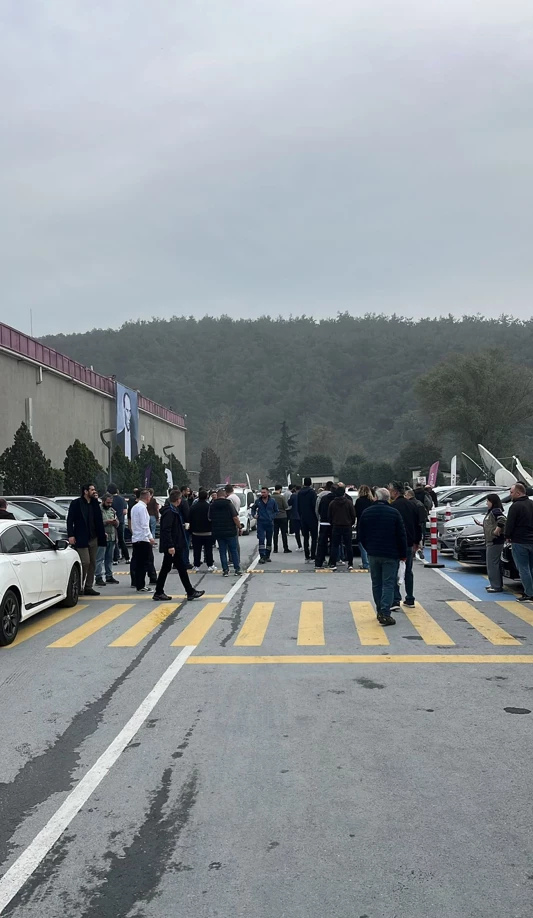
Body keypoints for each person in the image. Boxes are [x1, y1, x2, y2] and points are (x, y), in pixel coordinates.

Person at [357, 487, 407, 626]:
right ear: (388, 498)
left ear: (376, 497)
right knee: (388, 583)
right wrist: (403, 554)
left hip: (373, 553)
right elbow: (401, 535)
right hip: (391, 554)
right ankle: (385, 612)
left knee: (376, 583)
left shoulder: (367, 512)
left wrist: (369, 548)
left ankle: (379, 609)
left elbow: (361, 534)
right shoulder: (394, 513)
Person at [153, 490, 205, 601]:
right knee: (172, 568)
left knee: (175, 568)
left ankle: (188, 591)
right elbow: (167, 530)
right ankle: (161, 592)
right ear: (178, 500)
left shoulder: (172, 510)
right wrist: (170, 546)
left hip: (175, 545)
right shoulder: (170, 512)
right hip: (173, 546)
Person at [67, 484, 107, 595]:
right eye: (92, 490)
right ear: (85, 491)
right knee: (85, 562)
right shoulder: (76, 503)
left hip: (93, 537)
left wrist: (102, 533)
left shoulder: (95, 504)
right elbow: (70, 520)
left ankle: (88, 586)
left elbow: (98, 520)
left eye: (94, 489)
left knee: (93, 562)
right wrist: (71, 535)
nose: (94, 491)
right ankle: (78, 586)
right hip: (81, 537)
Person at [389, 481, 422, 610]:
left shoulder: (393, 506)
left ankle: (395, 600)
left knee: (394, 570)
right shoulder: (412, 505)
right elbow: (418, 525)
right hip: (409, 542)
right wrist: (417, 542)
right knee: (408, 570)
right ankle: (410, 598)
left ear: (395, 492)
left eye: (390, 490)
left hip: (395, 542)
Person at [505, 482, 533, 601]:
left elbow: (510, 523)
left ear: (518, 493)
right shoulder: (531, 504)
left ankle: (529, 593)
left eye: (511, 492)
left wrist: (507, 536)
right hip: (531, 540)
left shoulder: (515, 506)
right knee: (531, 568)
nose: (510, 495)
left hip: (520, 541)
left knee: (523, 568)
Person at [209, 489, 242, 576]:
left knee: (222, 551)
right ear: (225, 495)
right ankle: (237, 569)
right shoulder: (229, 504)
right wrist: (239, 527)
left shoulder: (212, 505)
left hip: (218, 532)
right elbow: (235, 517)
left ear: (217, 495)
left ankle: (225, 570)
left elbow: (209, 518)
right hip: (230, 531)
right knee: (233, 550)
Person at [130, 489, 157, 592]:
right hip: (143, 539)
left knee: (138, 562)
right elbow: (145, 525)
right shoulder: (142, 508)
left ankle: (137, 583)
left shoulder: (135, 507)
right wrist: (150, 537)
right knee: (144, 562)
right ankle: (141, 585)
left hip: (136, 538)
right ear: (147, 497)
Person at [482, 493, 506, 592]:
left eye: (488, 501)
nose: (486, 503)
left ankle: (496, 586)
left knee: (492, 564)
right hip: (493, 540)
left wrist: (497, 531)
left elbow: (502, 520)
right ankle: (495, 583)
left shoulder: (495, 511)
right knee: (494, 563)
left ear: (492, 502)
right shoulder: (492, 511)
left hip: (495, 541)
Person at [95, 494, 120, 586]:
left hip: (112, 537)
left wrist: (115, 522)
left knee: (109, 558)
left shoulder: (112, 510)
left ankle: (109, 576)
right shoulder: (98, 510)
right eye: (108, 502)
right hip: (102, 538)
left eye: (111, 503)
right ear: (103, 501)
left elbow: (117, 524)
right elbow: (96, 523)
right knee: (99, 558)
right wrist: (107, 522)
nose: (109, 504)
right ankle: (98, 577)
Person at [328, 486, 355, 570]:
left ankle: (333, 564)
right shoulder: (349, 503)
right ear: (344, 493)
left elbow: (329, 516)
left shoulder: (332, 503)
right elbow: (353, 515)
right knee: (348, 545)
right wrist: (351, 523)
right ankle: (350, 564)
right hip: (347, 526)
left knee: (335, 545)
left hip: (336, 526)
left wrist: (332, 523)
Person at [189, 489, 216, 571]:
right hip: (208, 532)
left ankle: (196, 565)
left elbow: (189, 519)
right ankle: (210, 564)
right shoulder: (209, 506)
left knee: (197, 550)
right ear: (207, 497)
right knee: (208, 549)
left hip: (196, 532)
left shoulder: (193, 507)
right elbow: (212, 518)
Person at [252, 487, 278, 562]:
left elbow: (276, 511)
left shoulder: (272, 501)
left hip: (269, 523)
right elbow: (253, 508)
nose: (262, 494)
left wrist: (272, 517)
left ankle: (267, 555)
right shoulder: (258, 501)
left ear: (268, 493)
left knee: (269, 539)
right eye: (262, 492)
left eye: (264, 492)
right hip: (261, 523)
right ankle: (262, 556)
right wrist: (254, 515)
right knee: (261, 539)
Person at [314, 481, 336, 568]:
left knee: (321, 543)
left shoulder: (322, 498)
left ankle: (319, 562)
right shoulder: (336, 499)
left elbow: (318, 509)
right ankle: (332, 562)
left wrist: (320, 518)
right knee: (333, 543)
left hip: (323, 522)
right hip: (334, 523)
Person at [108, 484, 130, 564]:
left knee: (114, 540)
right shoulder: (122, 499)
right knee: (122, 540)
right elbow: (125, 512)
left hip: (112, 521)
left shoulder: (109, 499)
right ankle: (127, 558)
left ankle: (115, 559)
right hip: (121, 522)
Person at [355, 485, 374, 571]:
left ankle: (365, 563)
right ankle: (370, 562)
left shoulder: (359, 501)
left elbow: (356, 513)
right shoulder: (372, 501)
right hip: (371, 524)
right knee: (370, 544)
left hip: (361, 523)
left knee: (362, 544)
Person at [298, 477, 318, 562]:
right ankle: (313, 555)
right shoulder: (312, 492)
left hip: (303, 517)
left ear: (303, 483)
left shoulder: (299, 493)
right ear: (311, 483)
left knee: (305, 537)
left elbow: (298, 506)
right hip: (312, 517)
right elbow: (314, 505)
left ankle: (307, 555)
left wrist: (300, 515)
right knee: (314, 537)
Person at [405, 488, 428, 561]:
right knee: (418, 539)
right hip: (420, 523)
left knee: (411, 539)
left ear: (409, 495)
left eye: (405, 495)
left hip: (412, 523)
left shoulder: (409, 504)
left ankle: (413, 553)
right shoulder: (419, 503)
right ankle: (419, 549)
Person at [272, 484, 291, 553]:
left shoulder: (271, 497)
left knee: (275, 533)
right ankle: (285, 548)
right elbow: (286, 506)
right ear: (280, 489)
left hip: (274, 516)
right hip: (282, 516)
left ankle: (275, 549)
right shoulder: (281, 497)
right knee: (283, 533)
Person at [288, 486, 303, 550]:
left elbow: (289, 503)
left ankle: (300, 546)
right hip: (303, 516)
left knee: (297, 532)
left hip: (295, 516)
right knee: (305, 532)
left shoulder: (293, 496)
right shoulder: (303, 495)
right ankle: (307, 545)